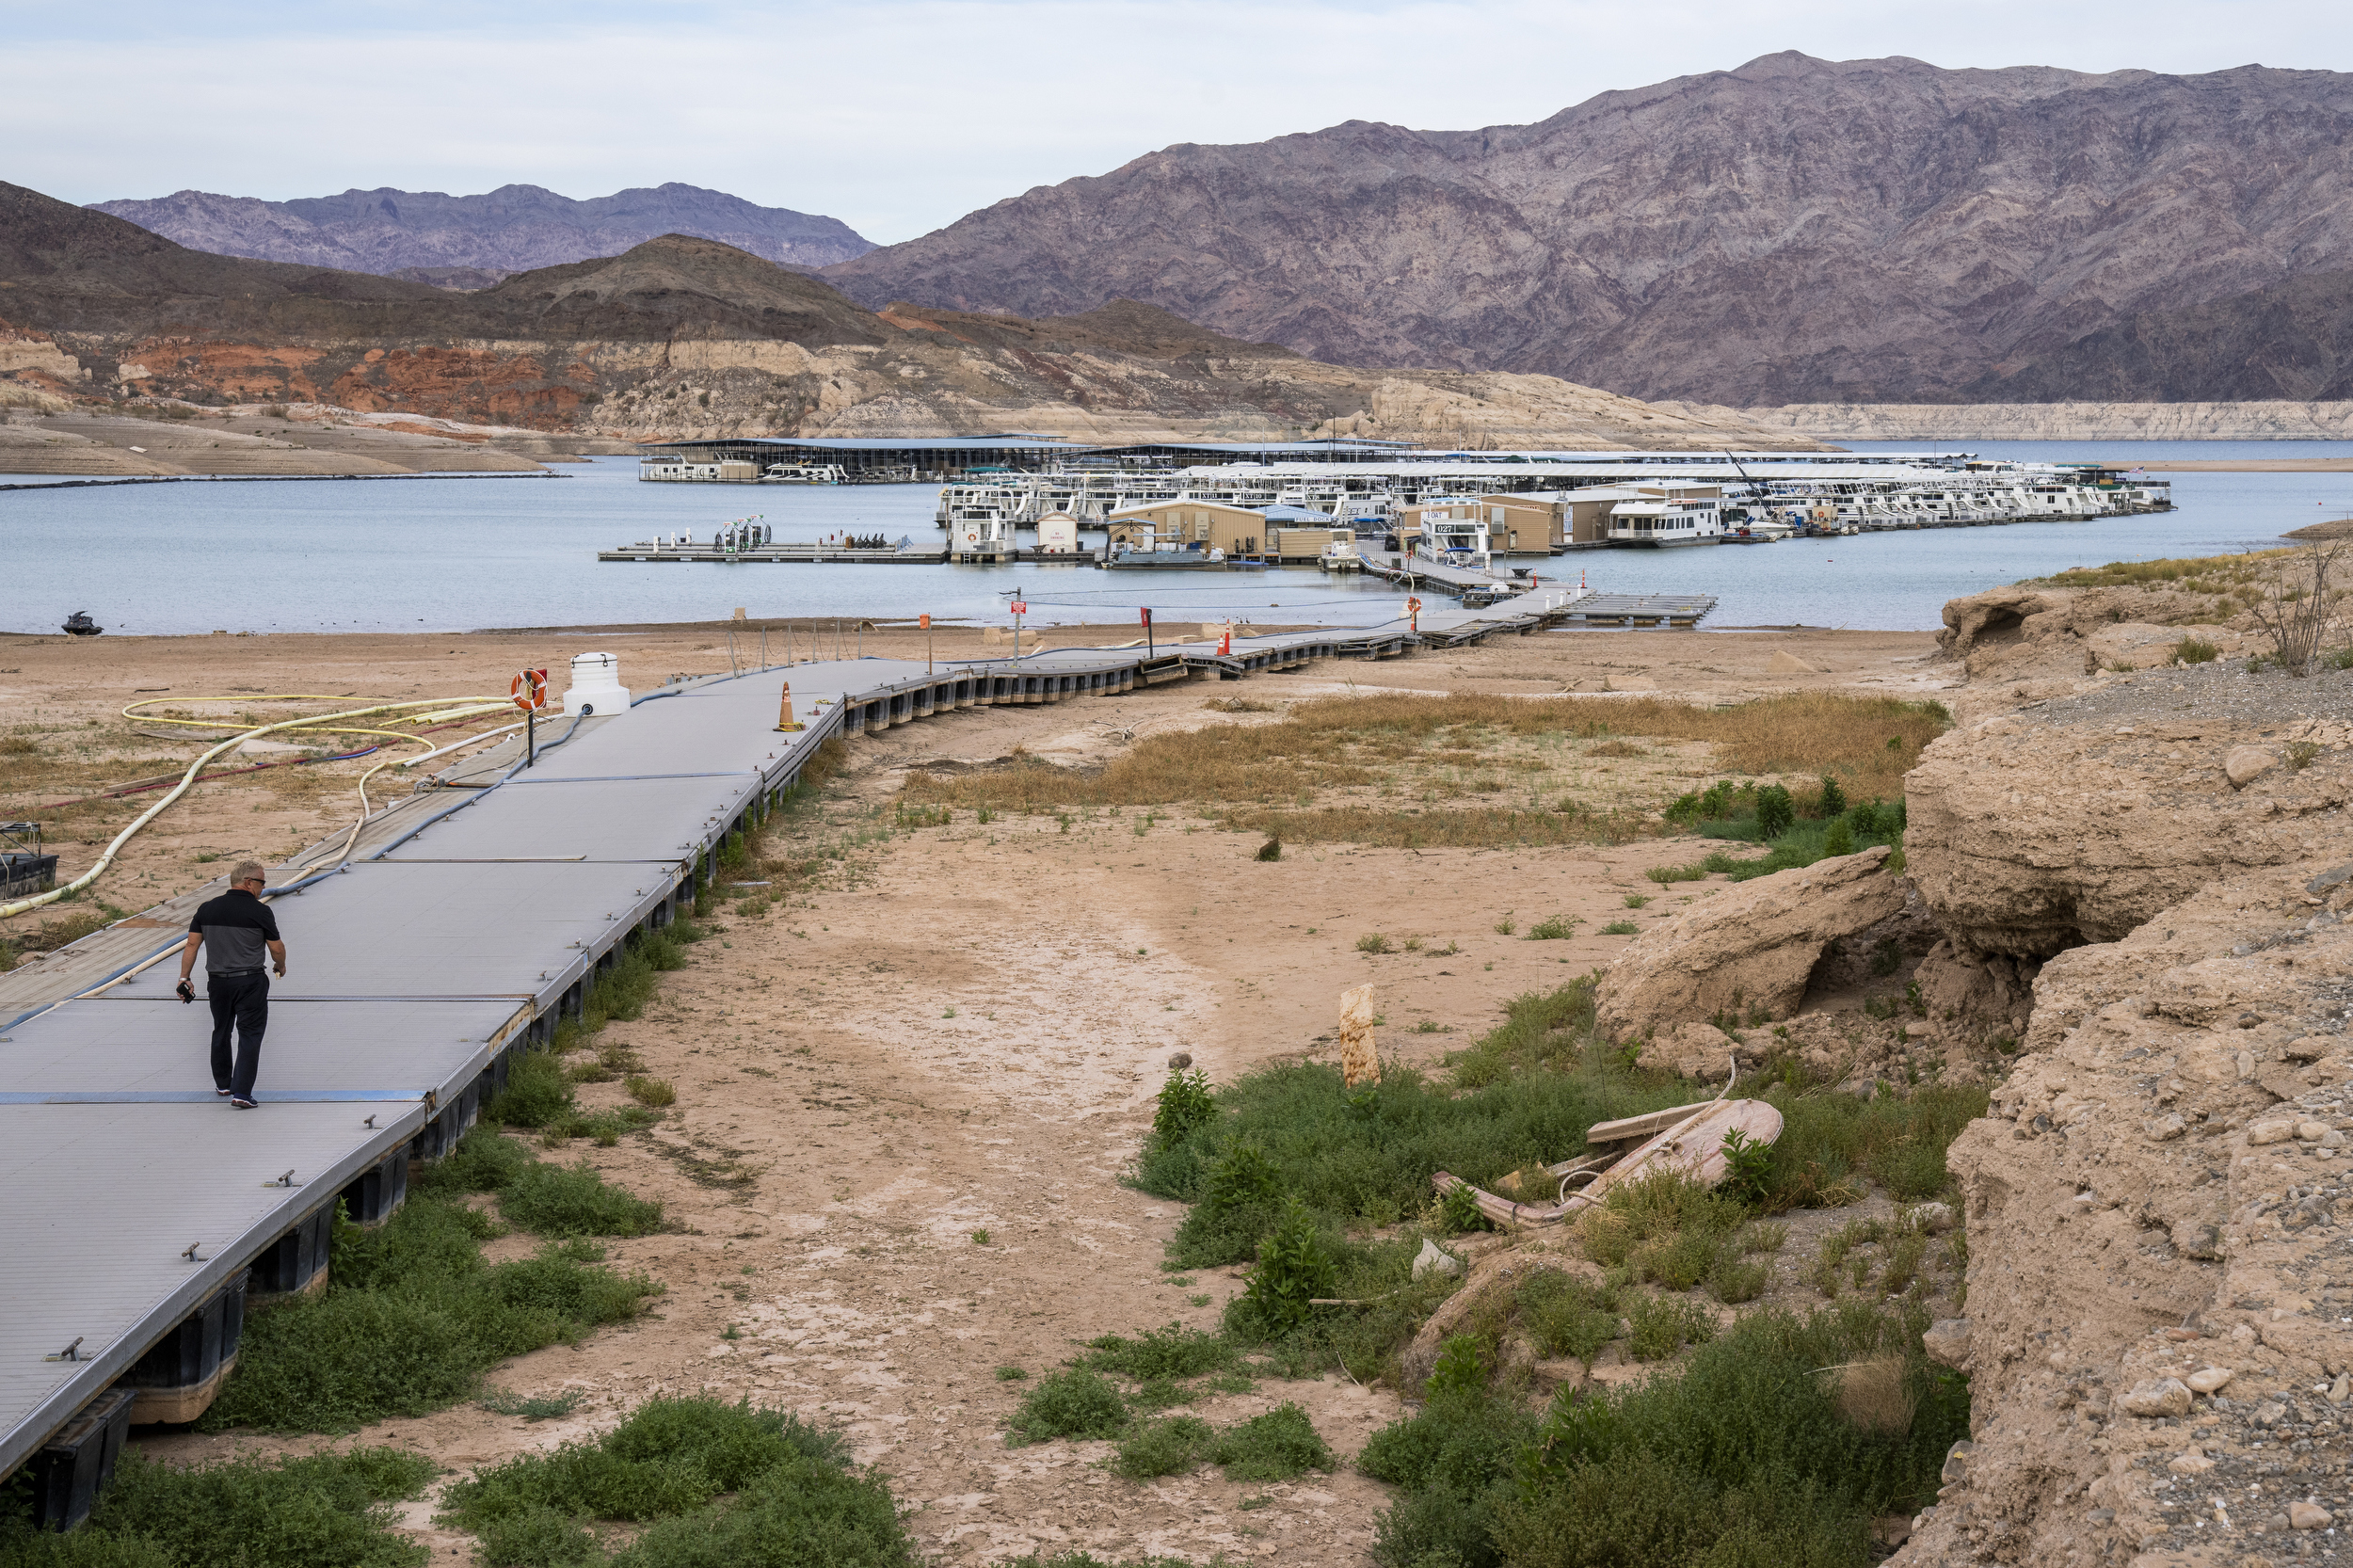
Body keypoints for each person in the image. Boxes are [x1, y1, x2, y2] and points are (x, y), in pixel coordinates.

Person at [174, 861, 285, 1108]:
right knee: (250, 1033)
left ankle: (224, 1084)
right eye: (262, 883)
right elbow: (276, 948)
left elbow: (192, 945)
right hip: (250, 981)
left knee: (221, 1029)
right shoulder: (260, 911)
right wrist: (281, 965)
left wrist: (184, 978)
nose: (263, 888)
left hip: (218, 983)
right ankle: (242, 1093)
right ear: (248, 882)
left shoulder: (207, 909)